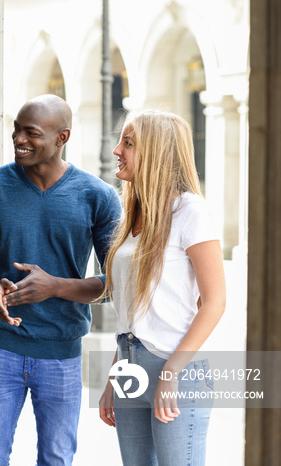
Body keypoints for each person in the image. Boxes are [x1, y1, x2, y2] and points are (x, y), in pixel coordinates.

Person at [0, 94, 122, 465]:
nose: (18, 140)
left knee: (56, 458)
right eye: (16, 130)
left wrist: (55, 286)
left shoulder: (97, 196)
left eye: (31, 133)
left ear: (61, 137)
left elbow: (115, 283)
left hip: (62, 353)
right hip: (0, 348)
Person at [98, 110, 226, 465]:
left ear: (154, 152)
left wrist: (171, 374)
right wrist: (114, 376)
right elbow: (133, 311)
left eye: (128, 142)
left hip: (176, 369)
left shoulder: (191, 212)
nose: (116, 151)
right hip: (129, 365)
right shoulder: (131, 217)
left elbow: (214, 302)